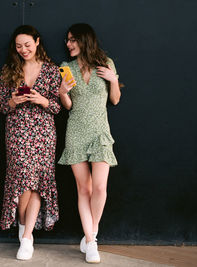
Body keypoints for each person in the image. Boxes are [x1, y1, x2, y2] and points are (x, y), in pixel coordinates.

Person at [58, 23, 121, 264]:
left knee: (100, 188)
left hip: (100, 133)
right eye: (67, 40)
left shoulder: (106, 63)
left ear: (85, 40)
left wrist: (113, 80)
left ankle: (90, 235)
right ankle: (91, 241)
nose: (69, 44)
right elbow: (68, 106)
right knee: (83, 189)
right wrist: (63, 92)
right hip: (75, 131)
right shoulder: (66, 67)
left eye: (73, 39)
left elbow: (114, 100)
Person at [0, 25, 61, 260]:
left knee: (38, 183)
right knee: (23, 179)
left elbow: (58, 107)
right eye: (18, 46)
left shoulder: (53, 71)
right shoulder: (8, 70)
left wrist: (43, 100)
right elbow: (2, 107)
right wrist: (14, 101)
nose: (23, 49)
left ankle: (26, 237)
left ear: (37, 42)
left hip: (43, 132)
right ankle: (26, 230)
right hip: (17, 132)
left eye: (27, 44)